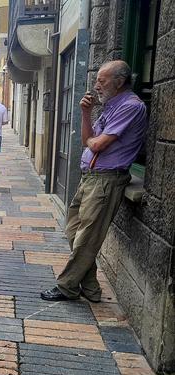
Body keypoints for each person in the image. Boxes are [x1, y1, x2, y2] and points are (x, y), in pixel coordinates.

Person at [41, 60, 147, 303]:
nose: (97, 85)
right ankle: (89, 287)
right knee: (73, 230)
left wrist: (93, 142)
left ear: (119, 82)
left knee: (87, 235)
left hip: (106, 180)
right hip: (90, 178)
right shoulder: (110, 106)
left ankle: (67, 286)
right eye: (97, 80)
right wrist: (86, 113)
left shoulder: (130, 106)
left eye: (102, 80)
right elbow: (86, 140)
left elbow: (98, 144)